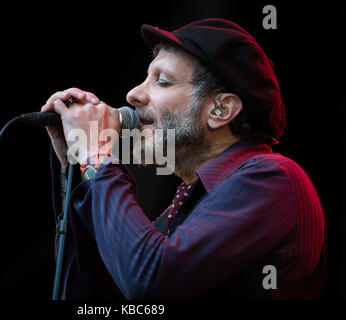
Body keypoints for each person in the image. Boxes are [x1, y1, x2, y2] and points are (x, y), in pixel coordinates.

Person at [41, 18, 326, 299]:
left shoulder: (273, 179)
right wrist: (76, 165)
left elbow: (150, 281)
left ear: (220, 110)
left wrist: (98, 155)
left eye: (162, 82)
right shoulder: (180, 214)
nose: (133, 94)